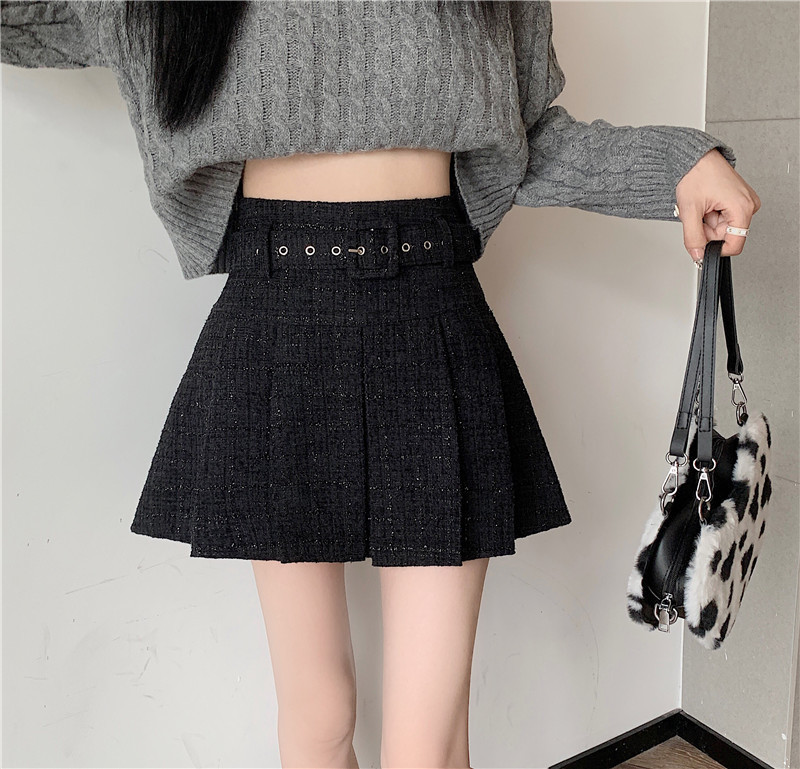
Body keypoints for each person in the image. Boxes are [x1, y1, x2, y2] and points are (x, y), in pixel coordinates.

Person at [1, 1, 761, 767]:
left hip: (430, 318)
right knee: (319, 717)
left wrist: (677, 164)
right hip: (275, 321)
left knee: (426, 744)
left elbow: (527, 141)